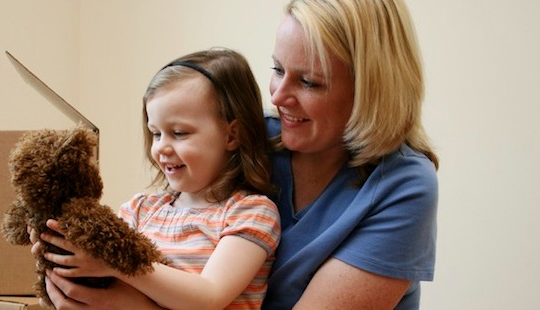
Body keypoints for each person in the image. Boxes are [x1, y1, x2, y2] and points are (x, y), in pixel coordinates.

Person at [37, 0, 439, 309]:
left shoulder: (402, 186)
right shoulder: (248, 139)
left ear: (369, 88)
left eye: (310, 82)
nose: (278, 97)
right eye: (278, 69)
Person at [34, 48, 281, 309]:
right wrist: (58, 251)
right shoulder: (141, 209)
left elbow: (209, 296)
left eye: (179, 132)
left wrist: (118, 262)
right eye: (156, 133)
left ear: (231, 136)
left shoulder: (251, 213)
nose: (161, 147)